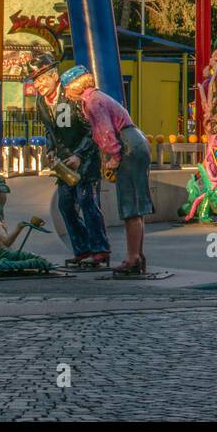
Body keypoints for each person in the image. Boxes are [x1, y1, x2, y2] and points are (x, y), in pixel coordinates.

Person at [61, 65, 154, 275]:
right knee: (137, 205)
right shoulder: (99, 97)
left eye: (66, 88)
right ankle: (138, 255)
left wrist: (113, 158)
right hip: (136, 142)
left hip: (127, 146)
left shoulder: (92, 102)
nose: (65, 94)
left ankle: (132, 258)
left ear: (76, 86)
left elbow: (105, 133)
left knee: (130, 204)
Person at [28, 53, 109, 268]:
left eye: (42, 78)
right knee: (65, 204)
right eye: (35, 81)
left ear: (54, 75)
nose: (39, 84)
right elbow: (50, 130)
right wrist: (51, 149)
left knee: (88, 202)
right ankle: (81, 249)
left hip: (86, 160)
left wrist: (79, 155)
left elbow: (92, 130)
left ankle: (99, 249)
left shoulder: (72, 96)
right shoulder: (41, 103)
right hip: (64, 163)